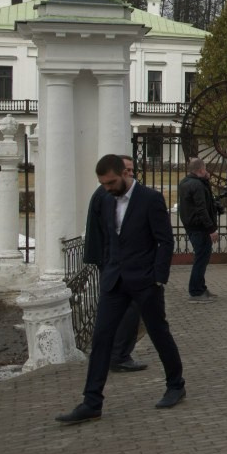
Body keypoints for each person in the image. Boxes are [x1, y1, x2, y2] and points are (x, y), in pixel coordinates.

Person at [55, 154, 186, 424]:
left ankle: (176, 385)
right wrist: (107, 269)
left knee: (159, 333)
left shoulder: (150, 199)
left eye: (111, 182)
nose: (107, 188)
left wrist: (158, 278)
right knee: (101, 339)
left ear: (125, 174)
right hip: (114, 282)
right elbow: (107, 239)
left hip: (145, 282)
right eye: (103, 183)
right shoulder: (104, 200)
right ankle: (92, 402)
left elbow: (165, 241)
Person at [84, 155, 147, 372]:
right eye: (126, 169)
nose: (130, 174)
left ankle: (118, 354)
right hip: (113, 263)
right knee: (127, 310)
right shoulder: (107, 195)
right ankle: (118, 355)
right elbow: (109, 232)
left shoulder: (115, 194)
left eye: (131, 169)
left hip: (116, 262)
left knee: (128, 309)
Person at [177, 157, 220, 302]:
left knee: (201, 258)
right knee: (201, 259)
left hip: (192, 226)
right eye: (205, 168)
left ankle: (201, 288)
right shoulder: (197, 186)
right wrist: (211, 229)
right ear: (201, 170)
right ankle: (195, 292)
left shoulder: (186, 182)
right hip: (199, 228)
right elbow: (201, 209)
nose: (207, 171)